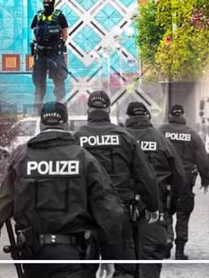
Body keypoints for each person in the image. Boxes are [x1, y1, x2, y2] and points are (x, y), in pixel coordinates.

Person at [0, 102, 123, 278]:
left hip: (35, 257)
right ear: (66, 124)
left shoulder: (22, 159)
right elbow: (108, 210)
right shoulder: (84, 159)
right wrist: (110, 256)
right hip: (76, 258)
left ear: (42, 124)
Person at [75, 91, 160, 277]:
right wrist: (153, 206)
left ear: (88, 108)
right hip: (119, 212)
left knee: (81, 270)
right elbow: (145, 175)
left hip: (85, 214)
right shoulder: (124, 136)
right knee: (123, 270)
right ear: (108, 108)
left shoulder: (76, 138)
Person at [123, 102, 187, 274]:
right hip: (155, 209)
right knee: (150, 258)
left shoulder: (121, 138)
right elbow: (179, 177)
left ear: (127, 117)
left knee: (124, 261)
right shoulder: (161, 139)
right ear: (148, 117)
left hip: (123, 208)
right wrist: (169, 208)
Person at [158, 104, 209, 260]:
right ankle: (180, 251)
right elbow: (202, 159)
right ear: (184, 115)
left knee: (165, 211)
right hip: (185, 181)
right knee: (183, 214)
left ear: (170, 116)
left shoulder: (160, 132)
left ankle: (167, 239)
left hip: (165, 179)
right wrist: (205, 179)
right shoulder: (192, 134)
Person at [31, 0, 69, 114]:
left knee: (59, 82)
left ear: (53, 2)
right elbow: (34, 30)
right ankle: (37, 111)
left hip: (54, 53)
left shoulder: (59, 16)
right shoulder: (38, 16)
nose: (46, 2)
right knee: (39, 84)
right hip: (41, 54)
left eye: (48, 0)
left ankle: (61, 108)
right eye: (44, 0)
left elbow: (64, 32)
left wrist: (61, 43)